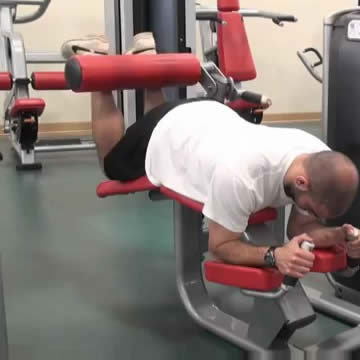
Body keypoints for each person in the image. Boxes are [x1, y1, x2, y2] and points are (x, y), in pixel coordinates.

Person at [61, 33, 360, 279]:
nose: (312, 214)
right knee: (112, 163)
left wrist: (338, 236)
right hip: (168, 132)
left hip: (208, 116)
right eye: (315, 209)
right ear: (302, 182)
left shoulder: (317, 157)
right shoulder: (242, 175)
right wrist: (273, 255)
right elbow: (221, 245)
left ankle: (146, 61)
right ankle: (97, 69)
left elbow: (300, 228)